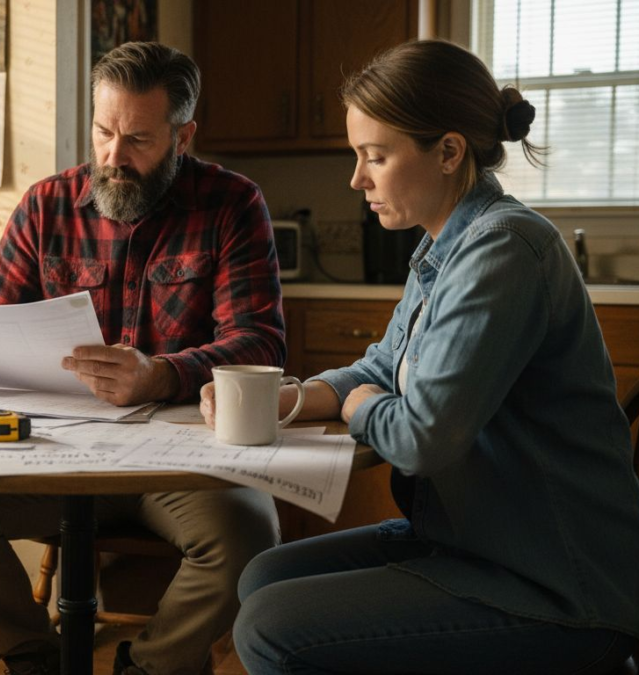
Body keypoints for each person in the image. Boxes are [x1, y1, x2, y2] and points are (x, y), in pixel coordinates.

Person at [201, 39, 639, 674]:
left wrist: (358, 405)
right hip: (472, 542)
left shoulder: (504, 251)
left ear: (449, 151)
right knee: (264, 575)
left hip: (555, 584)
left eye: (375, 156)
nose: (357, 179)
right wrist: (284, 395)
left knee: (271, 627)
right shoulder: (444, 247)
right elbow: (380, 367)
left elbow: (422, 437)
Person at [0, 42, 286, 675]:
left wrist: (160, 374)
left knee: (248, 534)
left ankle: (147, 668)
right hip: (56, 454)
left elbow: (259, 341)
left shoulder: (232, 205)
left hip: (180, 457)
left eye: (138, 139)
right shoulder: (45, 206)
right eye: (104, 132)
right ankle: (37, 662)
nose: (114, 157)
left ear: (183, 135)